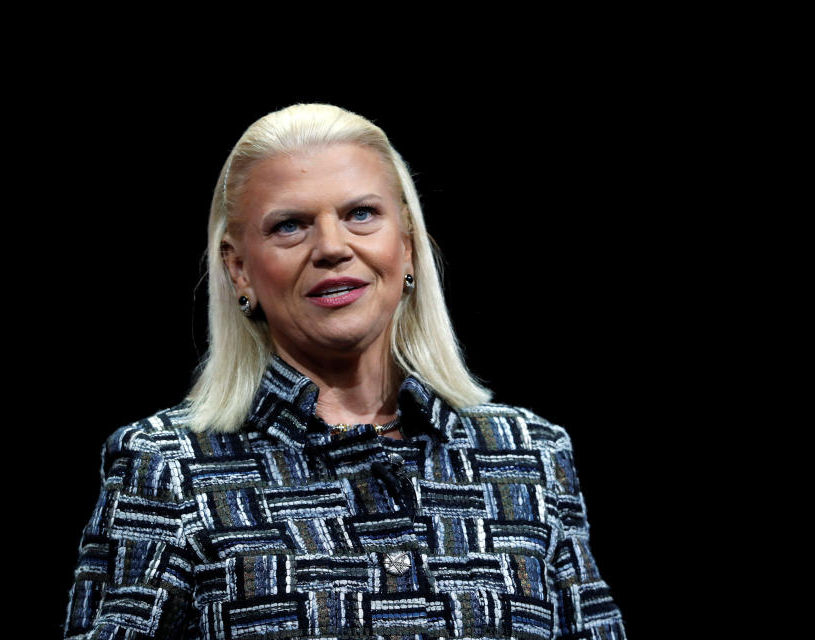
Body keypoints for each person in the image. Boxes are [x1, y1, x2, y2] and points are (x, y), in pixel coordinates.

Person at [63, 103, 625, 640]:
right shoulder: (167, 469)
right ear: (239, 270)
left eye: (361, 214)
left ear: (406, 245)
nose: (332, 247)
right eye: (289, 225)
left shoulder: (530, 454)